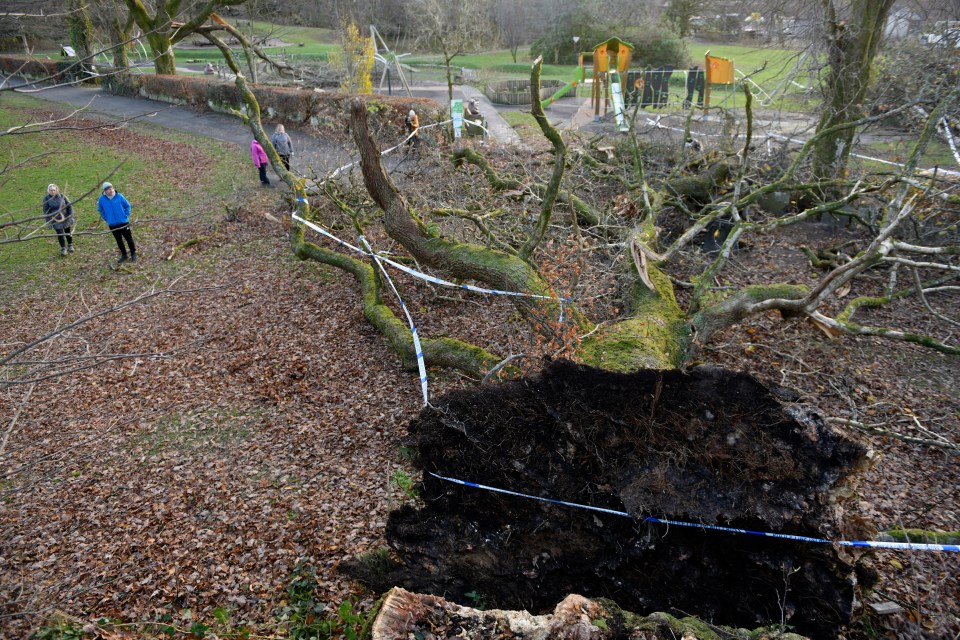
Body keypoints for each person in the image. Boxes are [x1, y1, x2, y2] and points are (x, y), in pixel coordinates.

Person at [97, 182, 136, 264]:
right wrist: (106, 218)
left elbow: (128, 206)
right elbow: (100, 209)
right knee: (119, 240)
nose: (110, 190)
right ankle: (124, 255)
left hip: (123, 222)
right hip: (112, 224)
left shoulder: (119, 196)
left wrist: (126, 215)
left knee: (129, 239)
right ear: (105, 191)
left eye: (111, 188)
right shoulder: (102, 199)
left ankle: (133, 253)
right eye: (108, 189)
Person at [42, 184, 75, 257]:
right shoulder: (46, 199)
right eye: (51, 190)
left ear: (57, 190)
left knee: (68, 232)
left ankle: (70, 245)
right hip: (55, 220)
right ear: (48, 191)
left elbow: (69, 206)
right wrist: (49, 222)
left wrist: (71, 216)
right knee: (60, 234)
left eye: (54, 190)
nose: (53, 192)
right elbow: (45, 211)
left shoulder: (62, 196)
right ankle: (63, 248)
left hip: (66, 218)